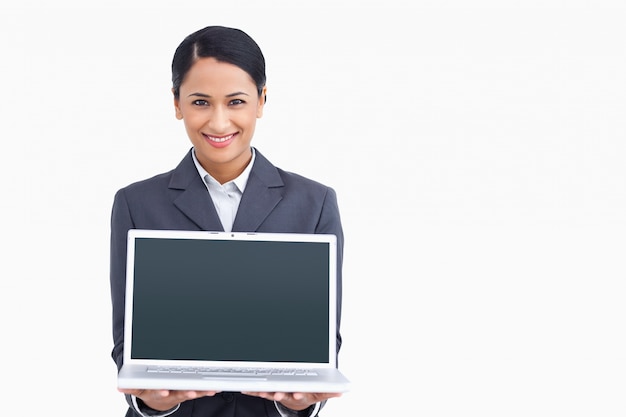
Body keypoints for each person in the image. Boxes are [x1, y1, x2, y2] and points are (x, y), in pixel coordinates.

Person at [109, 25, 345, 417]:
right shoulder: (136, 203)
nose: (219, 124)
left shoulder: (314, 202)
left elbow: (322, 342)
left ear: (261, 100)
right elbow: (126, 341)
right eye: (201, 102)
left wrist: (301, 404)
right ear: (176, 102)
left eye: (235, 102)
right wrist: (150, 402)